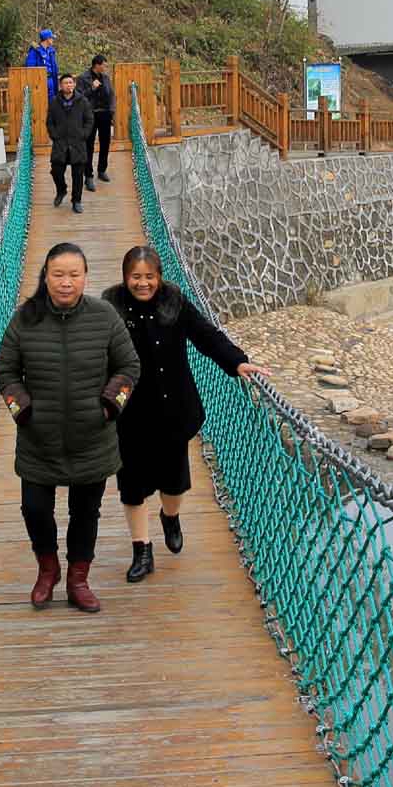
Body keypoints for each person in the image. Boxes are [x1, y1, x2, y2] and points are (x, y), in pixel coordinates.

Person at [102, 248, 269, 583]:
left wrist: (235, 361)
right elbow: (90, 350)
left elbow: (206, 335)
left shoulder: (174, 302)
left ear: (159, 276)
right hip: (130, 413)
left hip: (172, 409)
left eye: (149, 277)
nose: (143, 283)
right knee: (132, 486)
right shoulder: (110, 307)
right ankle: (142, 551)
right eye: (136, 277)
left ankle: (170, 516)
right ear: (125, 277)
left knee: (173, 483)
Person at [0, 242, 138, 612]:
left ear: (85, 278)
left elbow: (129, 367)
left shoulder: (105, 316)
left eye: (74, 275)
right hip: (37, 440)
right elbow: (6, 371)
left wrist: (109, 406)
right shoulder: (24, 318)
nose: (65, 283)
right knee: (34, 509)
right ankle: (48, 570)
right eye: (58, 274)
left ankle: (78, 580)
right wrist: (22, 411)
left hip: (93, 438)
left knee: (85, 513)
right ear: (45, 276)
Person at [47, 71, 95, 213]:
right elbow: (50, 122)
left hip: (77, 142)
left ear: (74, 84)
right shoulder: (55, 102)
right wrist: (54, 135)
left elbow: (89, 120)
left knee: (78, 173)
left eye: (71, 83)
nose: (69, 85)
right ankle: (61, 190)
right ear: (60, 86)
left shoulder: (82, 101)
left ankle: (77, 200)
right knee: (56, 170)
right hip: (60, 142)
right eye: (65, 83)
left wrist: (84, 134)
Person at [79, 53, 116, 185]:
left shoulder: (105, 78)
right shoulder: (83, 78)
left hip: (105, 114)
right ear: (97, 65)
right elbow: (79, 97)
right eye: (104, 65)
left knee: (105, 143)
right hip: (90, 114)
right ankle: (88, 175)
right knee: (88, 145)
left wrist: (111, 111)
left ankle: (102, 170)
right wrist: (92, 88)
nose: (106, 68)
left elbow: (111, 94)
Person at [22, 29, 60, 96]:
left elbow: (54, 67)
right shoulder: (35, 51)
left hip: (51, 80)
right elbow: (30, 68)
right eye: (51, 38)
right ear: (47, 39)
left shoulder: (51, 51)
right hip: (40, 81)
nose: (53, 40)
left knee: (52, 102)